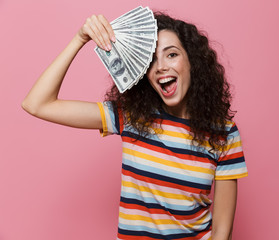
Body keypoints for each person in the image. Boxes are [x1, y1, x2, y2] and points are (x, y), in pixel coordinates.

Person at [22, 12, 248, 240]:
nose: (160, 67)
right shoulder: (131, 117)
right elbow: (37, 104)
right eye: (151, 60)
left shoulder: (224, 133)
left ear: (193, 63)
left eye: (171, 54)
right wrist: (79, 39)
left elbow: (222, 232)